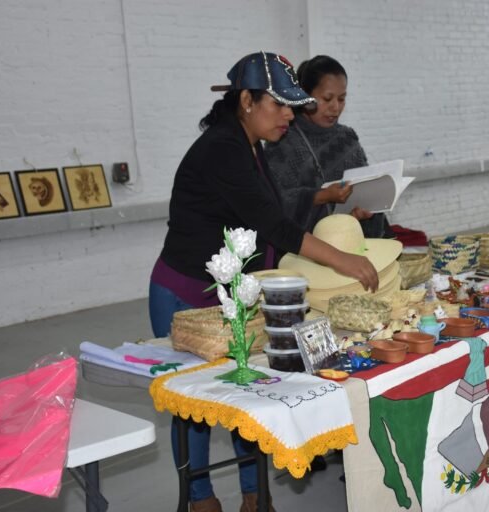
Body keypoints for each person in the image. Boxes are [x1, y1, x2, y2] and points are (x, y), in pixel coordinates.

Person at [148, 51, 379, 512]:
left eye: (293, 106)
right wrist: (340, 261)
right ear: (247, 101)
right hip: (185, 295)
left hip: (235, 294)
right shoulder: (221, 149)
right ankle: (200, 499)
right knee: (193, 414)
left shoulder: (250, 144)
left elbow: (272, 227)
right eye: (280, 105)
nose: (290, 115)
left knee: (245, 401)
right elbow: (274, 224)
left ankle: (256, 495)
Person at [265, 55, 390, 238]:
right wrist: (322, 196)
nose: (336, 108)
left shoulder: (347, 138)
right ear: (304, 97)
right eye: (327, 98)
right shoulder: (282, 141)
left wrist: (362, 213)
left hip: (352, 242)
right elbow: (276, 204)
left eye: (341, 99)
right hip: (307, 252)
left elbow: (364, 191)